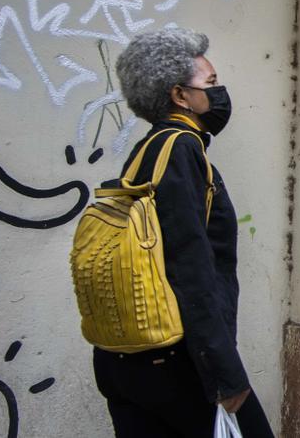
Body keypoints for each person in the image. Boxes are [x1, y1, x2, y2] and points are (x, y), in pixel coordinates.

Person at [92, 28, 274, 437]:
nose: (219, 91)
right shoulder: (180, 149)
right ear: (180, 96)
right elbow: (190, 268)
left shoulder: (148, 151)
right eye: (210, 83)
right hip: (176, 363)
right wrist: (225, 378)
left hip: (125, 361)